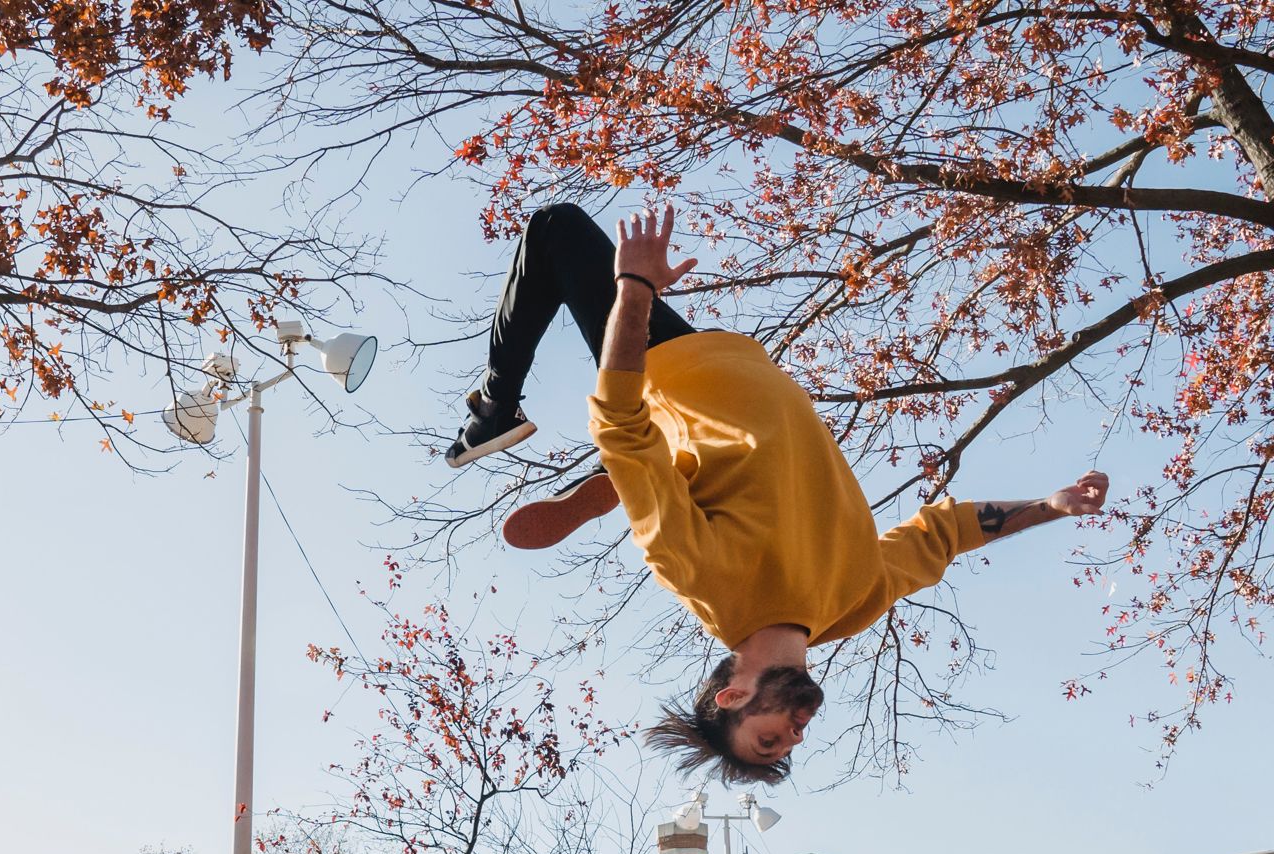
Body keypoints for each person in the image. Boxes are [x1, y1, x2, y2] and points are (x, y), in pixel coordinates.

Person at [447, 201, 1111, 784]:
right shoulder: (851, 604)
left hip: (674, 376)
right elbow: (945, 534)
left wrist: (636, 289)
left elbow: (621, 423)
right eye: (789, 745)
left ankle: (494, 411)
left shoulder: (706, 578)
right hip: (728, 365)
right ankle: (635, 480)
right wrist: (1050, 508)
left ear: (734, 697)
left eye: (769, 740)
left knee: (555, 228)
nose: (794, 735)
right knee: (651, 461)